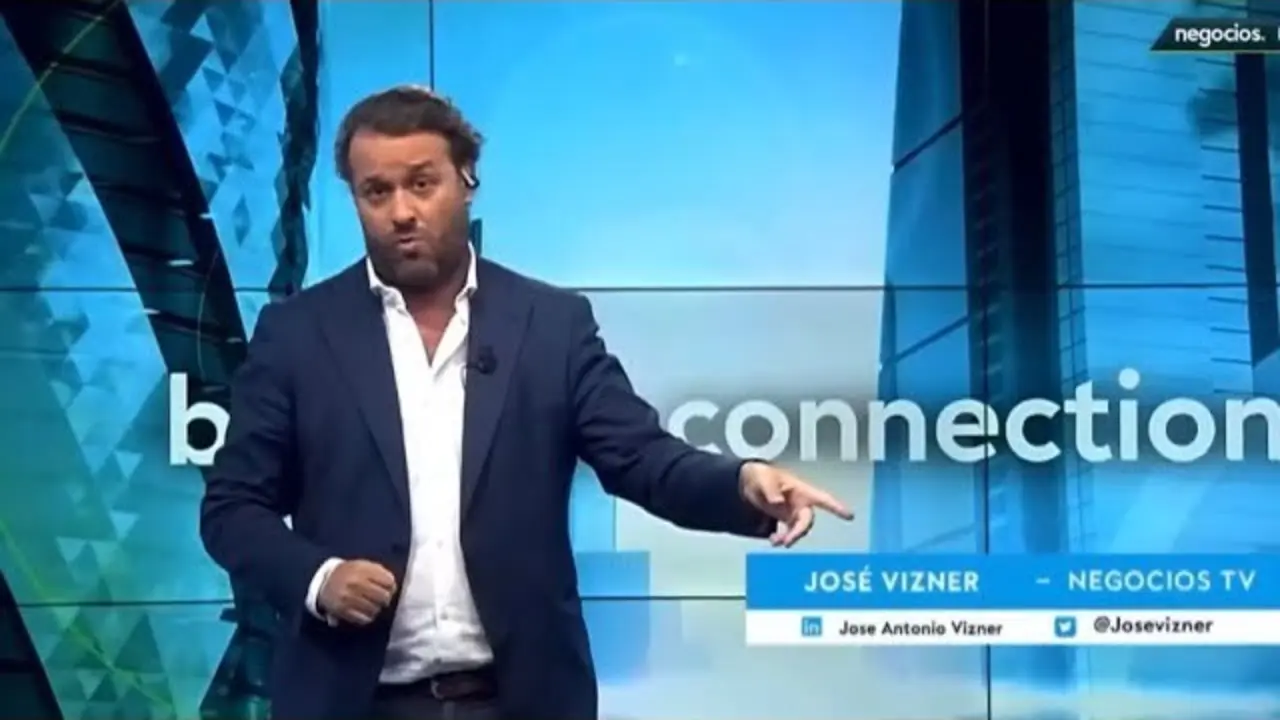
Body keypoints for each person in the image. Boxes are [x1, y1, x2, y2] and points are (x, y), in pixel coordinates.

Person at [199, 85, 852, 720]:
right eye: (377, 192)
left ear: (467, 181)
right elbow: (232, 508)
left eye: (422, 184)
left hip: (520, 698)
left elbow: (642, 457)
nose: (401, 211)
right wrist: (319, 577)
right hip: (353, 701)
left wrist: (741, 482)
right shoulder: (298, 334)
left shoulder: (550, 325)